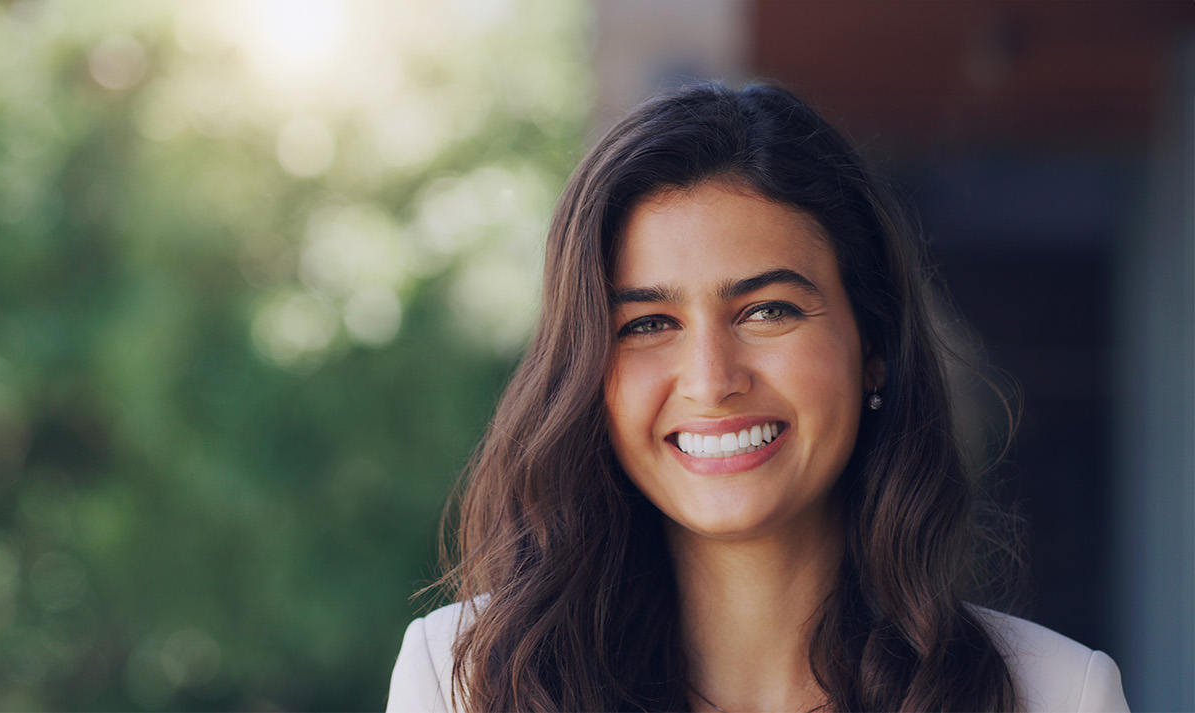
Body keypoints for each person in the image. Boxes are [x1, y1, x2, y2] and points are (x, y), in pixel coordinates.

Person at [384, 83, 1129, 712]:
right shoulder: (464, 681)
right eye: (647, 323)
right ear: (585, 372)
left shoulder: (1057, 693)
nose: (711, 379)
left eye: (767, 310)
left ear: (872, 347)